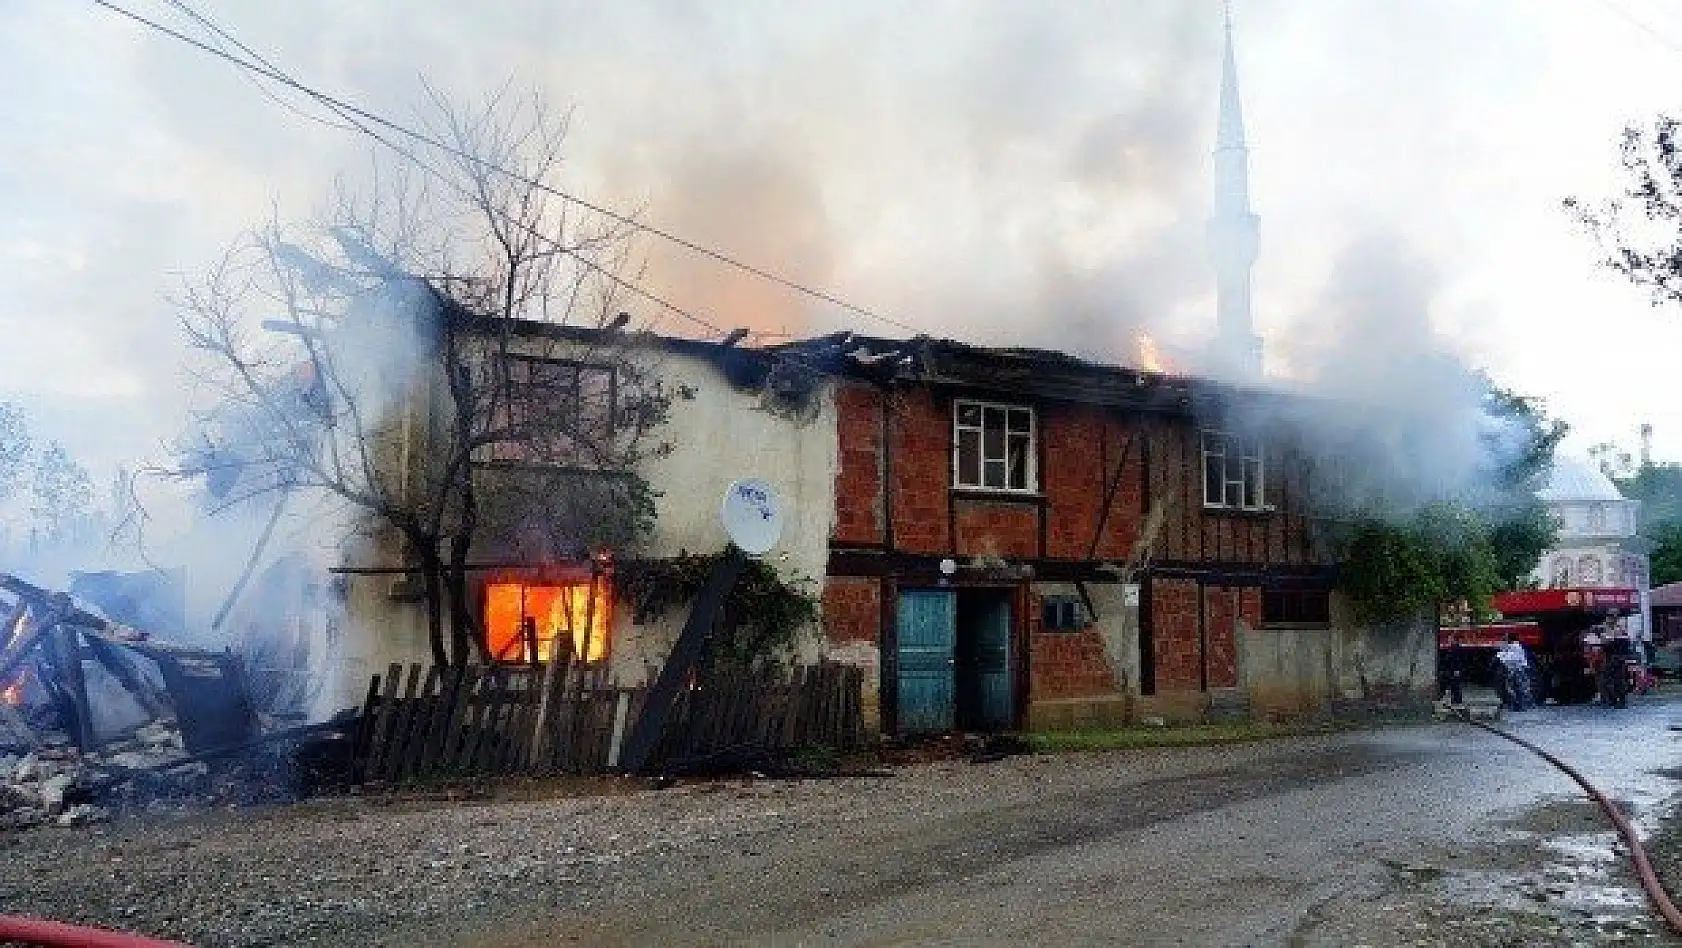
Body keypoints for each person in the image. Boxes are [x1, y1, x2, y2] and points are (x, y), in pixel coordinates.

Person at [1496, 633, 1533, 711]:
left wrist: (1501, 656)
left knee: (1519, 688)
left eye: (1506, 638)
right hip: (1514, 670)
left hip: (1519, 670)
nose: (1504, 640)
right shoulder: (1509, 647)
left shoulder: (1516, 646)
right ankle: (1517, 705)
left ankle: (1522, 705)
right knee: (1515, 688)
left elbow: (1512, 659)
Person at [1439, 633, 1465, 707]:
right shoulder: (1451, 648)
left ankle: (1456, 700)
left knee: (1455, 686)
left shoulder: (1457, 649)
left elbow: (1458, 660)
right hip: (1450, 670)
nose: (1449, 640)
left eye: (1450, 639)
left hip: (1454, 670)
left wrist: (1457, 669)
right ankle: (1453, 700)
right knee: (1452, 686)